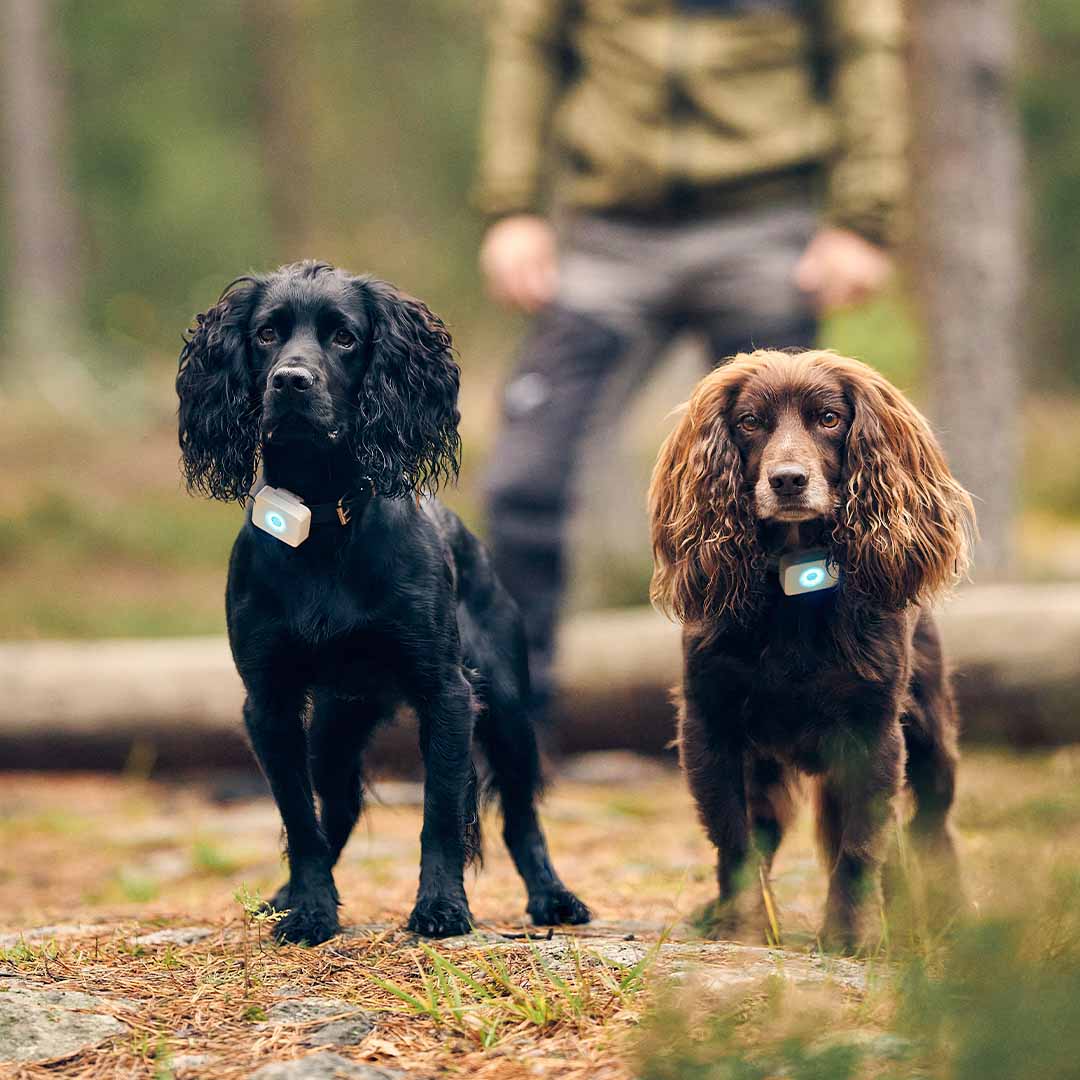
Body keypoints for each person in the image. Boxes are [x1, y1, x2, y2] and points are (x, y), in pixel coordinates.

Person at [474, 0, 906, 725]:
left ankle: (812, 721)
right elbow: (530, 40)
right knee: (524, 481)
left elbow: (865, 43)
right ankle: (511, 736)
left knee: (806, 499)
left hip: (764, 230)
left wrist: (863, 218)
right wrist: (512, 206)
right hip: (608, 234)